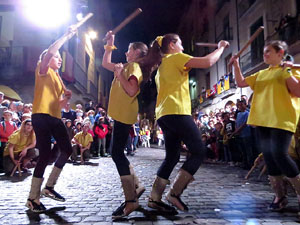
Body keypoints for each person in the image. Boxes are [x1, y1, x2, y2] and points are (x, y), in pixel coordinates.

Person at [146, 34, 229, 212]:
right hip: (177, 111)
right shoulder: (176, 57)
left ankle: (155, 197)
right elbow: (207, 62)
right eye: (181, 43)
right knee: (199, 151)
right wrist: (221, 48)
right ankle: (174, 193)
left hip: (164, 115)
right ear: (172, 44)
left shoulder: (161, 66)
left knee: (172, 157)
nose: (183, 47)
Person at [231, 40, 300, 212]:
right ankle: (279, 196)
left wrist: (288, 71)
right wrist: (236, 65)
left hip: (281, 119)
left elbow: (297, 91)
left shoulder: (291, 70)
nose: (265, 54)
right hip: (263, 121)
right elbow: (240, 83)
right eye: (264, 51)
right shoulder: (261, 73)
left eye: (268, 51)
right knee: (269, 158)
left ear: (280, 53)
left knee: (280, 155)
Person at [25, 26, 76, 212]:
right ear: (47, 58)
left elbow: (58, 104)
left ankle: (49, 187)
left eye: (60, 57)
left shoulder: (56, 76)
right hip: (41, 115)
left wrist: (66, 98)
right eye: (57, 57)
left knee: (66, 149)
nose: (60, 59)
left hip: (54, 116)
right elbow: (50, 52)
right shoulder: (43, 68)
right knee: (45, 154)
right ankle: (33, 198)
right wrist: (66, 35)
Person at [102, 31, 151, 218]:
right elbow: (106, 63)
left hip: (124, 113)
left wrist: (120, 74)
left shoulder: (135, 68)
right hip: (120, 113)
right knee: (117, 153)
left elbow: (131, 90)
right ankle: (136, 187)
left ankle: (131, 200)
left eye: (129, 49)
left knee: (116, 153)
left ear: (137, 51)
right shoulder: (128, 66)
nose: (125, 52)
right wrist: (110, 43)